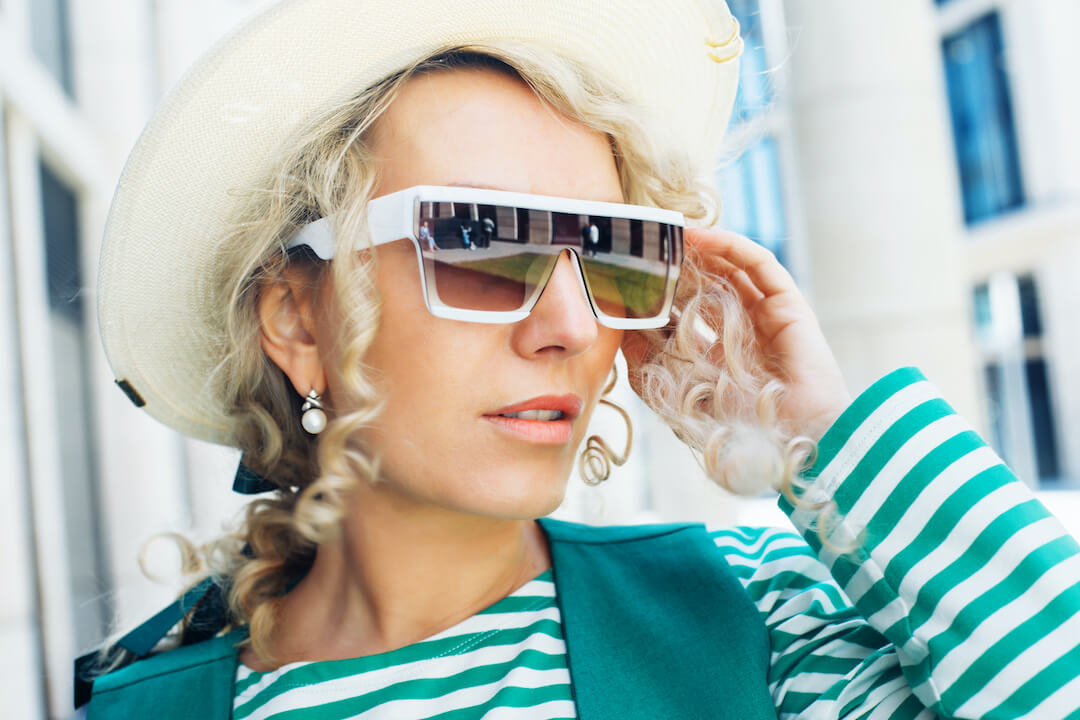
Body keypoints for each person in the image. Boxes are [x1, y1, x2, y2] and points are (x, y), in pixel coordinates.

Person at [79, 0, 1080, 717]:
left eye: (614, 254)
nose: (570, 323)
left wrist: (820, 439)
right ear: (297, 319)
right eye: (476, 242)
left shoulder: (752, 617)